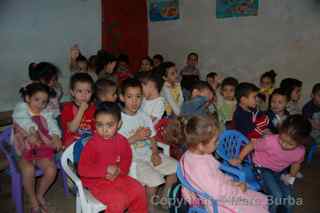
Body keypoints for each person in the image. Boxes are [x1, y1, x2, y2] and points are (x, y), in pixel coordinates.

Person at [167, 115, 268, 213]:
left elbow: (217, 176)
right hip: (219, 204)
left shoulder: (193, 154)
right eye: (215, 141)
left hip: (224, 191)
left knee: (264, 200)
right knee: (259, 207)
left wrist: (232, 183)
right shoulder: (200, 167)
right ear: (200, 145)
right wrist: (237, 190)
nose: (218, 143)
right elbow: (218, 193)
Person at [230, 115, 311, 213]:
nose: (283, 144)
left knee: (290, 199)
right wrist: (240, 157)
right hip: (261, 168)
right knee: (276, 196)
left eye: (289, 144)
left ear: (300, 142)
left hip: (280, 171)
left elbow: (296, 164)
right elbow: (252, 145)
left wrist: (291, 177)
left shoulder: (300, 151)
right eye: (281, 139)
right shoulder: (270, 141)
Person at [78, 102, 148, 213]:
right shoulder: (92, 144)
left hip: (117, 176)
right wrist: (105, 169)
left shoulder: (122, 141)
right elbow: (82, 169)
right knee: (118, 200)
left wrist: (120, 170)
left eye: (109, 125)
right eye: (100, 125)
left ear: (119, 124)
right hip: (95, 181)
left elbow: (126, 158)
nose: (104, 130)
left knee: (139, 189)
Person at [118, 78, 177, 205]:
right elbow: (116, 147)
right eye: (129, 97)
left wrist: (155, 153)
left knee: (178, 168)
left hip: (149, 155)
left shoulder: (144, 116)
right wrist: (135, 137)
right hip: (132, 161)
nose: (134, 101)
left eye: (138, 96)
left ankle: (165, 196)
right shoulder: (118, 120)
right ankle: (148, 206)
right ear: (122, 97)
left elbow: (152, 138)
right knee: (155, 179)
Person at [12, 83, 62, 213]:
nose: (40, 104)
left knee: (51, 170)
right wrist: (31, 131)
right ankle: (33, 200)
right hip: (22, 149)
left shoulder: (45, 112)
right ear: (28, 98)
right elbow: (23, 119)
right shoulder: (21, 108)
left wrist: (56, 136)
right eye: (37, 100)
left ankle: (40, 195)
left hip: (40, 149)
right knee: (28, 170)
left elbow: (52, 124)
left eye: (44, 102)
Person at [60, 73, 96, 148]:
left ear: (92, 93)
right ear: (72, 92)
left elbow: (96, 129)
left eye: (88, 91)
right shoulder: (67, 108)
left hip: (89, 141)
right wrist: (81, 110)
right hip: (72, 142)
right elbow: (72, 129)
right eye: (80, 91)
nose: (84, 95)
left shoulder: (93, 109)